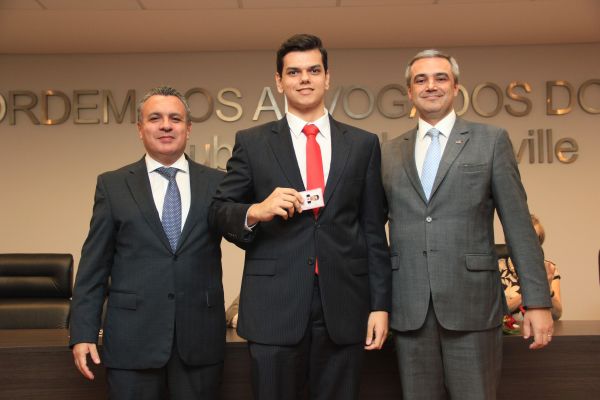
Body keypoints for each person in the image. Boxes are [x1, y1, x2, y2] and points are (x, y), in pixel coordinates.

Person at [209, 34, 391, 400]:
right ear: (279, 81)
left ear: (327, 77)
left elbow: (373, 230)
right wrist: (255, 211)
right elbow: (219, 211)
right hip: (274, 307)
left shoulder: (362, 144)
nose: (304, 78)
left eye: (313, 70)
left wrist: (380, 305)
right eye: (293, 72)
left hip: (344, 305)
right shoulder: (253, 142)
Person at [381, 49, 554, 400]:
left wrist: (537, 302)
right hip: (409, 307)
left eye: (440, 78)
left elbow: (519, 226)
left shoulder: (491, 141)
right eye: (420, 80)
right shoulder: (388, 152)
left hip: (472, 306)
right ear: (409, 92)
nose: (431, 86)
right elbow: (370, 231)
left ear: (456, 87)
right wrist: (373, 304)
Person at [69, 86, 226, 400]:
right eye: (155, 118)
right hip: (132, 341)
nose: (166, 125)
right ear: (140, 128)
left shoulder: (218, 183)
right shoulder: (113, 185)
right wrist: (82, 332)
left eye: (175, 119)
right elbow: (94, 265)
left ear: (188, 128)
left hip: (199, 342)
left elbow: (245, 234)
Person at [500, 214, 563, 321]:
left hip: (540, 328)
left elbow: (557, 314)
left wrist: (547, 288)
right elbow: (495, 311)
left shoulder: (549, 268)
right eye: (523, 238)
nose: (528, 244)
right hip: (508, 329)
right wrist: (531, 294)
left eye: (534, 238)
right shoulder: (497, 268)